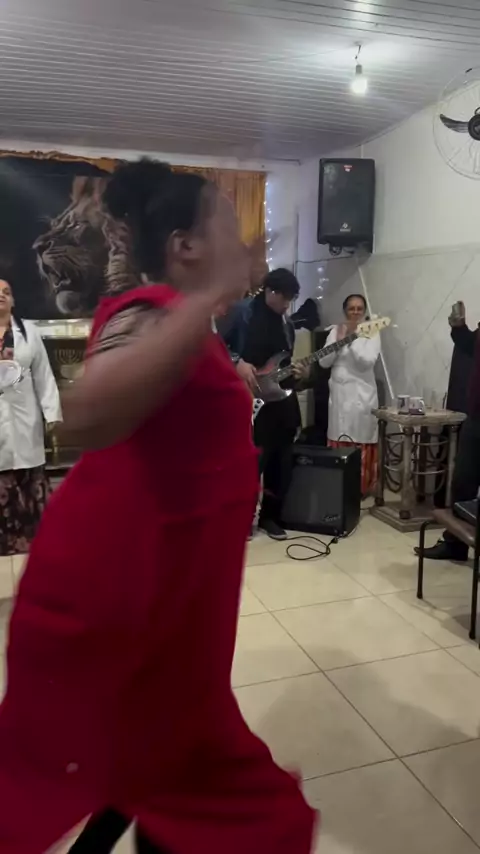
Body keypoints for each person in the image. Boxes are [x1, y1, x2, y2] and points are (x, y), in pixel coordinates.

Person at [0, 160, 316, 854]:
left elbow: (202, 409)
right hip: (121, 615)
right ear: (185, 246)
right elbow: (90, 412)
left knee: (160, 768)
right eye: (227, 227)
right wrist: (205, 299)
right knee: (220, 801)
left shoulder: (184, 325)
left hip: (170, 612)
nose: (241, 243)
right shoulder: (148, 314)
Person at [240, 268, 309, 540]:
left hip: (281, 400)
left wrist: (300, 373)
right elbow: (217, 344)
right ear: (270, 292)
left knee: (281, 461)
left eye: (291, 299)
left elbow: (285, 362)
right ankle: (242, 519)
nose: (287, 304)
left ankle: (270, 516)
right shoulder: (244, 313)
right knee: (251, 463)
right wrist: (237, 362)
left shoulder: (286, 324)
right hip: (249, 400)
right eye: (285, 298)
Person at [0, 278, 61, 555]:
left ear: (13, 300)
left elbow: (43, 375)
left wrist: (51, 412)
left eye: (6, 292)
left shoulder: (28, 332)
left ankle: (32, 541)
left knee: (27, 471)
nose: (2, 296)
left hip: (25, 416)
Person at [417, 301, 480, 561]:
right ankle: (455, 544)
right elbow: (471, 346)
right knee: (462, 483)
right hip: (476, 419)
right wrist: (459, 327)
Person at [320, 293, 380, 497]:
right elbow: (324, 362)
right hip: (339, 396)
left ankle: (359, 489)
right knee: (339, 437)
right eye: (351, 308)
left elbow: (366, 362)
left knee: (359, 439)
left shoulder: (372, 331)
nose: (355, 312)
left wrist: (351, 339)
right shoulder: (335, 330)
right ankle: (338, 487)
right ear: (345, 310)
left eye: (359, 309)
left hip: (361, 397)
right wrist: (338, 343)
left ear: (364, 311)